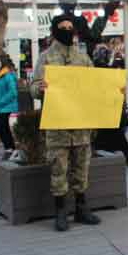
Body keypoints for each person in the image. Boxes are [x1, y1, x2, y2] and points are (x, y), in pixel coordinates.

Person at [30, 14, 101, 232]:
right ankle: (60, 212)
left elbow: (95, 84)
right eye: (63, 27)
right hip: (58, 125)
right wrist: (38, 89)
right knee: (59, 169)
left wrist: (112, 90)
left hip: (80, 124)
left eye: (71, 27)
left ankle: (81, 208)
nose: (68, 30)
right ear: (54, 30)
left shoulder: (82, 58)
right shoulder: (46, 57)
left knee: (82, 167)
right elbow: (33, 87)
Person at [91, 45, 128, 168]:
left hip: (102, 107)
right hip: (108, 106)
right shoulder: (109, 69)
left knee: (116, 135)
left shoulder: (94, 68)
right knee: (116, 135)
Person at [0, 53, 18, 160]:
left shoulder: (7, 75)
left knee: (0, 126)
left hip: (7, 105)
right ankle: (10, 149)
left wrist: (0, 102)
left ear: (2, 62)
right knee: (3, 126)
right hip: (3, 106)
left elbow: (13, 93)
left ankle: (11, 149)